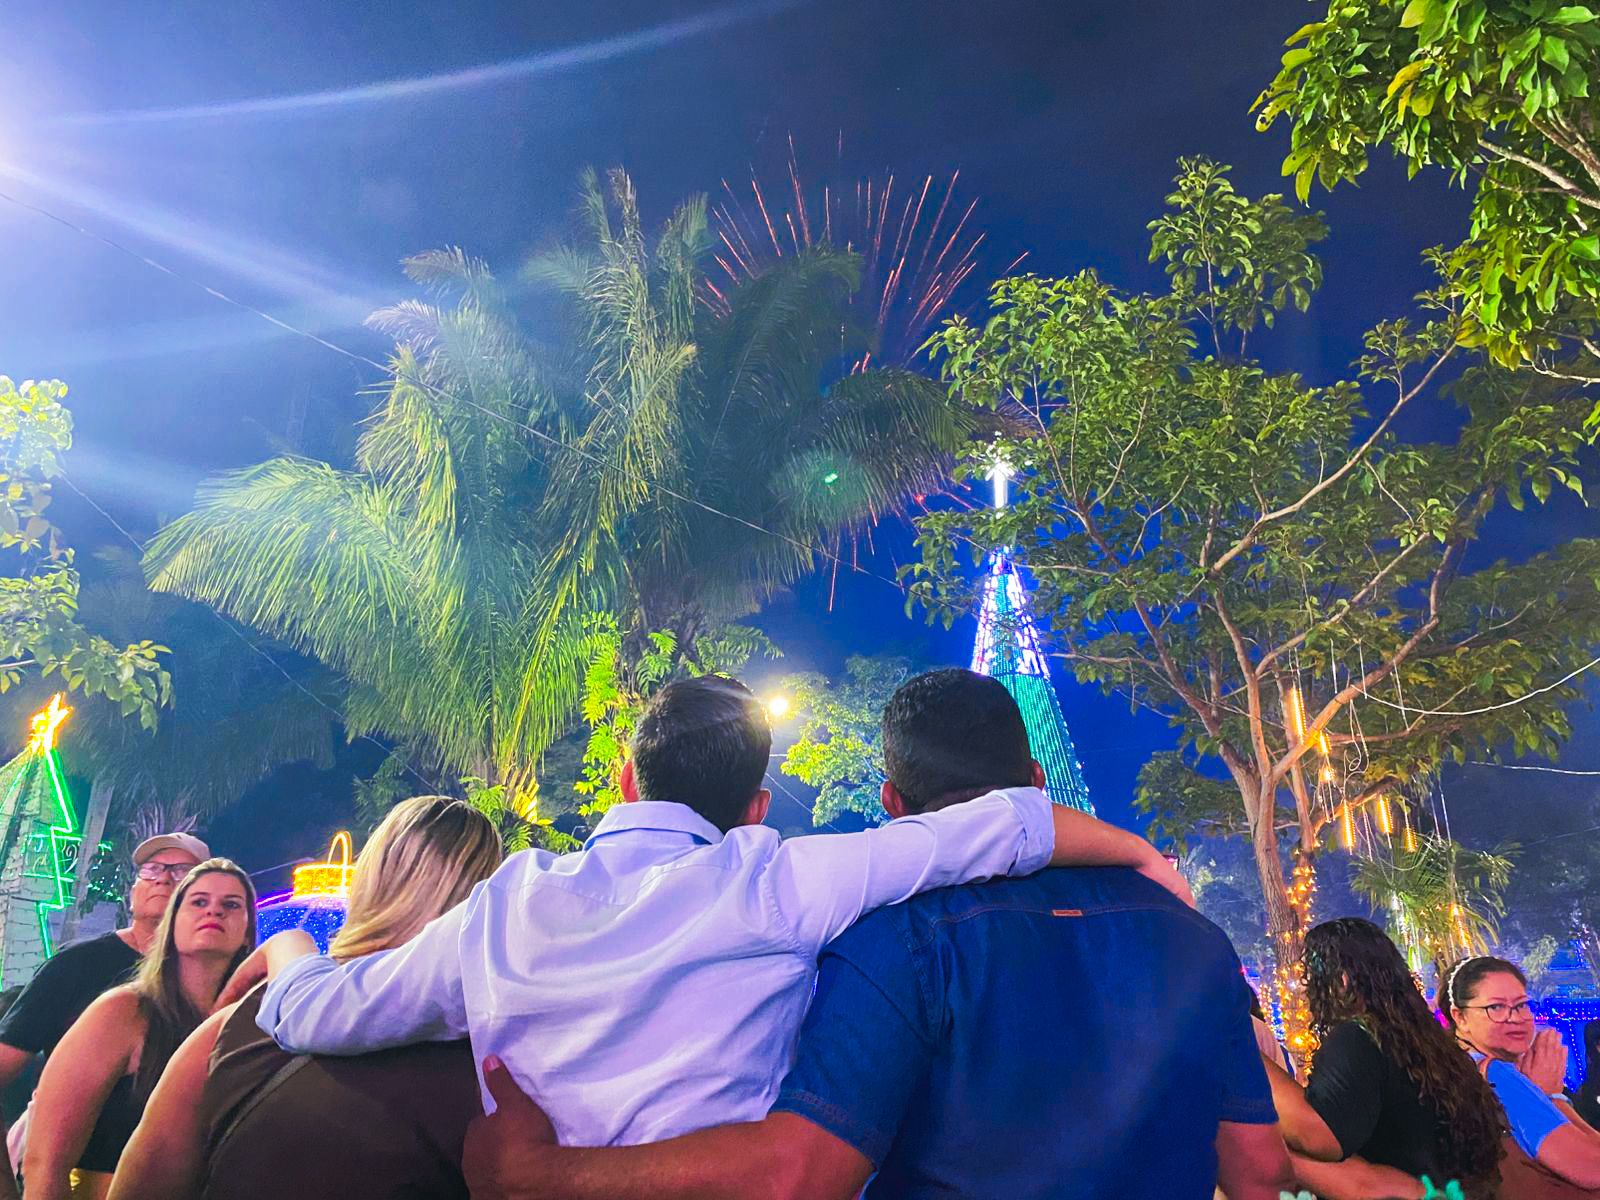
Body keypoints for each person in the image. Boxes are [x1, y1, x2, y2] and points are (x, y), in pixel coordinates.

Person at [251, 673, 1191, 1149]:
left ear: (625, 779)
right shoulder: (780, 881)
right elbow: (999, 826)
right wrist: (1147, 854)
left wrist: (293, 941)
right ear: (755, 807)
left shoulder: (509, 902)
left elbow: (312, 1015)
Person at [459, 668, 1292, 1200]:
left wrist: (543, 1174)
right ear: (1039, 783)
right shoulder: (1193, 942)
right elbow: (1259, 1174)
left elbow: (801, 1174)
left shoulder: (896, 943)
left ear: (890, 802)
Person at [108, 797, 503, 1200]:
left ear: (372, 876)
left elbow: (146, 1177)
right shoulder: (494, 1059)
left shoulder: (250, 1013)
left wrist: (287, 946)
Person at [23, 859, 255, 1200]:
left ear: (248, 931)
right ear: (172, 924)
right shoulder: (123, 1010)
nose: (214, 911)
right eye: (199, 902)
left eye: (231, 905)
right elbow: (44, 1164)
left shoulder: (250, 1024)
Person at [1264, 918, 1503, 1195]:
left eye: (1313, 978)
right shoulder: (1428, 1041)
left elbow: (1321, 1135)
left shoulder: (1357, 1037)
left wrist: (1235, 1045)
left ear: (1342, 980)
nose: (1308, 992)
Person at [1445, 955, 1600, 1191]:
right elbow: (1591, 1168)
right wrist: (1552, 1097)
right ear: (1460, 1017)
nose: (1515, 1018)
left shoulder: (1455, 1069)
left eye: (1521, 1005)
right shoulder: (1497, 1075)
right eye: (1495, 1007)